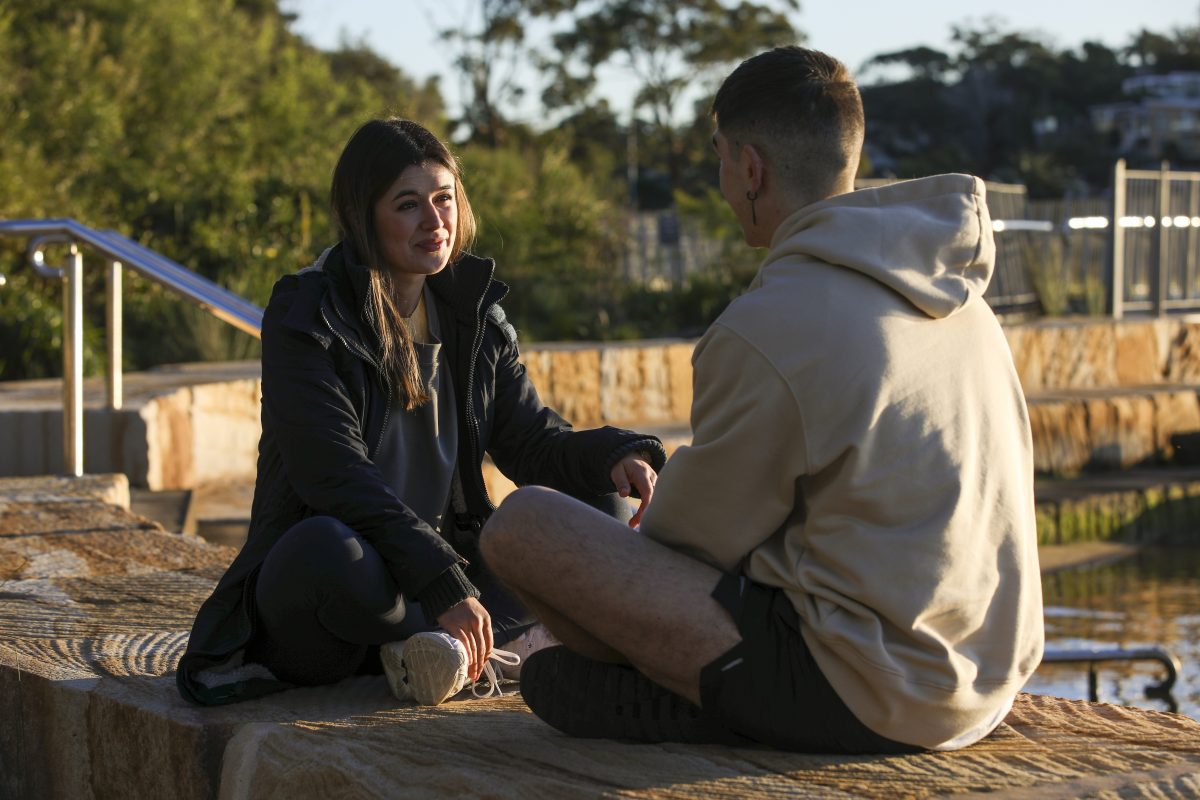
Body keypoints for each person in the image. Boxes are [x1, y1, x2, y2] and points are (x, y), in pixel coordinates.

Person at [479, 46, 1044, 753]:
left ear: (750, 168)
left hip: (868, 692)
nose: (721, 180)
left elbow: (688, 546)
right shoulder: (960, 298)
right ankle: (702, 697)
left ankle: (700, 705)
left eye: (719, 160)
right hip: (984, 680)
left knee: (523, 526)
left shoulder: (773, 324)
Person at [176, 118, 665, 707]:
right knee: (326, 547)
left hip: (446, 571)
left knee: (598, 505)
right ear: (364, 216)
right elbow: (331, 474)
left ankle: (438, 656)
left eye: (444, 198)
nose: (435, 222)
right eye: (408, 205)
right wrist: (440, 583)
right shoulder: (307, 313)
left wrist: (618, 456)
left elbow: (533, 443)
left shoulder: (470, 314)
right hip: (352, 594)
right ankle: (491, 645)